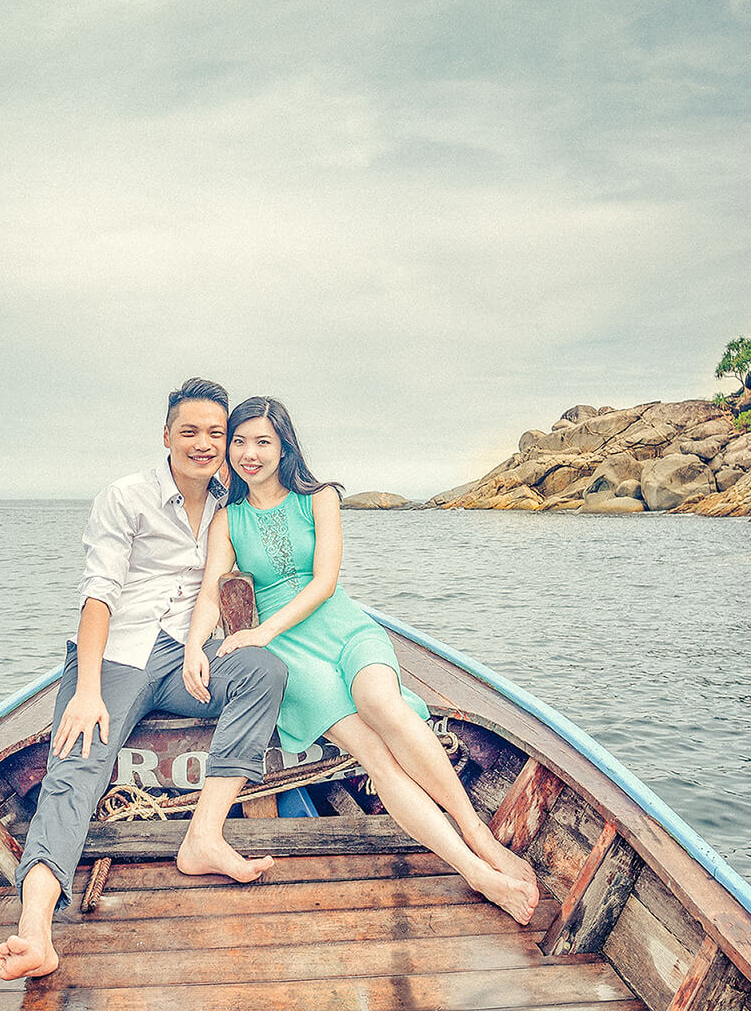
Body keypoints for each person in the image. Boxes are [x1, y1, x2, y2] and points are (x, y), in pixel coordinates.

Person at [182, 396, 541, 924]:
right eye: (239, 441)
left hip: (341, 626)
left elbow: (325, 582)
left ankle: (479, 834)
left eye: (263, 441)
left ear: (285, 447)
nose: (248, 453)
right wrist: (196, 645)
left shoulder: (319, 498)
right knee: (375, 755)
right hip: (290, 654)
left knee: (382, 701)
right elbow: (212, 591)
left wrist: (260, 631)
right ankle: (475, 871)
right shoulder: (228, 519)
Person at [0, 378, 289, 982]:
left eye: (215, 433)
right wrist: (89, 690)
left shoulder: (232, 503)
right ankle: (36, 931)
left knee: (265, 670)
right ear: (167, 436)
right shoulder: (126, 497)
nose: (205, 444)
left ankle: (203, 837)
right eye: (190, 432)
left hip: (184, 656)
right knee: (76, 767)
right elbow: (98, 595)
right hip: (116, 658)